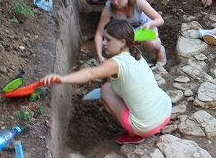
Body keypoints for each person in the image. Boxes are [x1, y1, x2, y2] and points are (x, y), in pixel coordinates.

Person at [41, 19, 172, 145]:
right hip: (165, 111)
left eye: (108, 40)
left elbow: (91, 73)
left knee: (105, 90)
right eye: (104, 38)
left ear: (122, 42)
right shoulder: (135, 53)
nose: (103, 43)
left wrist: (63, 79)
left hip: (145, 126)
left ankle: (133, 135)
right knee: (112, 84)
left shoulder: (116, 63)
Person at [95, 0, 166, 67]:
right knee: (115, 45)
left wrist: (150, 24)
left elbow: (159, 19)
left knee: (150, 44)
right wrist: (99, 55)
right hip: (126, 31)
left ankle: (159, 49)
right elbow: (99, 33)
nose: (115, 2)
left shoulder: (138, 1)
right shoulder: (109, 7)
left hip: (143, 27)